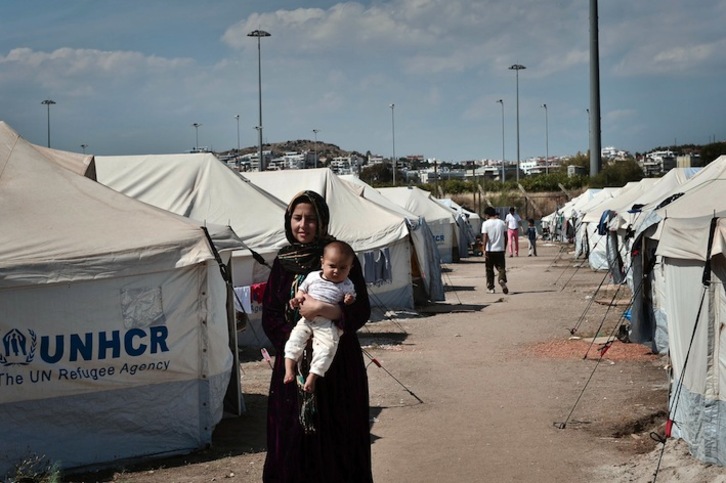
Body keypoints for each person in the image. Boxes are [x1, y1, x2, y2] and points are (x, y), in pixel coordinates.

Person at [261, 190, 373, 483]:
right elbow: (271, 314)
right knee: (293, 438)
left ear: (322, 221)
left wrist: (327, 310)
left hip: (337, 366)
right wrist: (297, 341)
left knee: (338, 436)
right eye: (297, 218)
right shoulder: (283, 261)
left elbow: (361, 309)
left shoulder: (342, 256)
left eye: (311, 219)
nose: (303, 225)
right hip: (294, 365)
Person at [284, 240, 357, 394]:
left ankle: (313, 376)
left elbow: (352, 300)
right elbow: (302, 290)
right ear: (322, 263)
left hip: (326, 323)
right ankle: (289, 370)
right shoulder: (312, 276)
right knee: (294, 340)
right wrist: (297, 299)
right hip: (306, 319)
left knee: (328, 348)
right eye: (332, 266)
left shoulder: (347, 284)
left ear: (350, 268)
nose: (336, 271)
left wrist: (349, 300)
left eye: (343, 268)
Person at [481, 206, 508, 294]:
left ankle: (490, 287)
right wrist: (504, 247)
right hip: (500, 249)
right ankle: (501, 279)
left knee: (489, 269)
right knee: (501, 268)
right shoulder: (502, 223)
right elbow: (506, 237)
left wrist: (484, 249)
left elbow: (485, 237)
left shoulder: (485, 223)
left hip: (490, 250)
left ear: (487, 215)